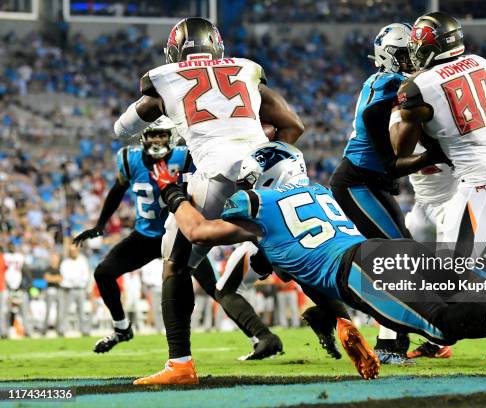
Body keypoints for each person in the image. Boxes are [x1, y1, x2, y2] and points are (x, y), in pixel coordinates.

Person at [149, 141, 486, 385]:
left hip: (359, 270)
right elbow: (295, 259)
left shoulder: (258, 204)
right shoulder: (319, 194)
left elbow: (199, 231)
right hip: (384, 251)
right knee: (465, 271)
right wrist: (343, 323)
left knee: (439, 324)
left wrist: (170, 190)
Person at [113, 17, 304, 384]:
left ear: (175, 52)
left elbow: (122, 128)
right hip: (263, 165)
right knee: (295, 239)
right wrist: (266, 154)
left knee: (177, 262)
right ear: (216, 46)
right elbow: (294, 126)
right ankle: (342, 319)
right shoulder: (246, 70)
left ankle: (180, 364)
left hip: (215, 170)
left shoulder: (166, 78)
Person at [389, 11, 486, 364]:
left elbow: (401, 150)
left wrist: (403, 108)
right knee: (485, 265)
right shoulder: (479, 63)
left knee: (450, 277)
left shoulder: (418, 87)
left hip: (479, 185)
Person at [330, 23, 450, 364]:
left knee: (402, 253)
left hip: (369, 182)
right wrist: (434, 155)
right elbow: (389, 162)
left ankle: (427, 334)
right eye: (405, 53)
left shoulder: (385, 83)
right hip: (358, 182)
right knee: (397, 256)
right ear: (389, 56)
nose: (412, 58)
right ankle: (390, 343)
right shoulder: (391, 86)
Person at [74, 117, 192, 352]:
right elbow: (117, 190)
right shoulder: (130, 159)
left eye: (162, 134)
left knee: (213, 286)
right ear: (143, 138)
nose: (157, 139)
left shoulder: (184, 157)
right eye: (152, 135)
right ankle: (121, 328)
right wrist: (100, 224)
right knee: (103, 273)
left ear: (171, 137)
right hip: (146, 236)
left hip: (178, 233)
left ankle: (257, 336)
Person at [58, 244, 91, 336]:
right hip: (69, 289)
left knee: (82, 311)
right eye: (72, 251)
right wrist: (75, 280)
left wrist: (78, 281)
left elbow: (86, 275)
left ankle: (84, 330)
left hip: (81, 289)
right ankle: (62, 329)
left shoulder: (83, 261)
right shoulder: (66, 262)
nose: (74, 253)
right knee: (66, 310)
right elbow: (65, 276)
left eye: (75, 250)